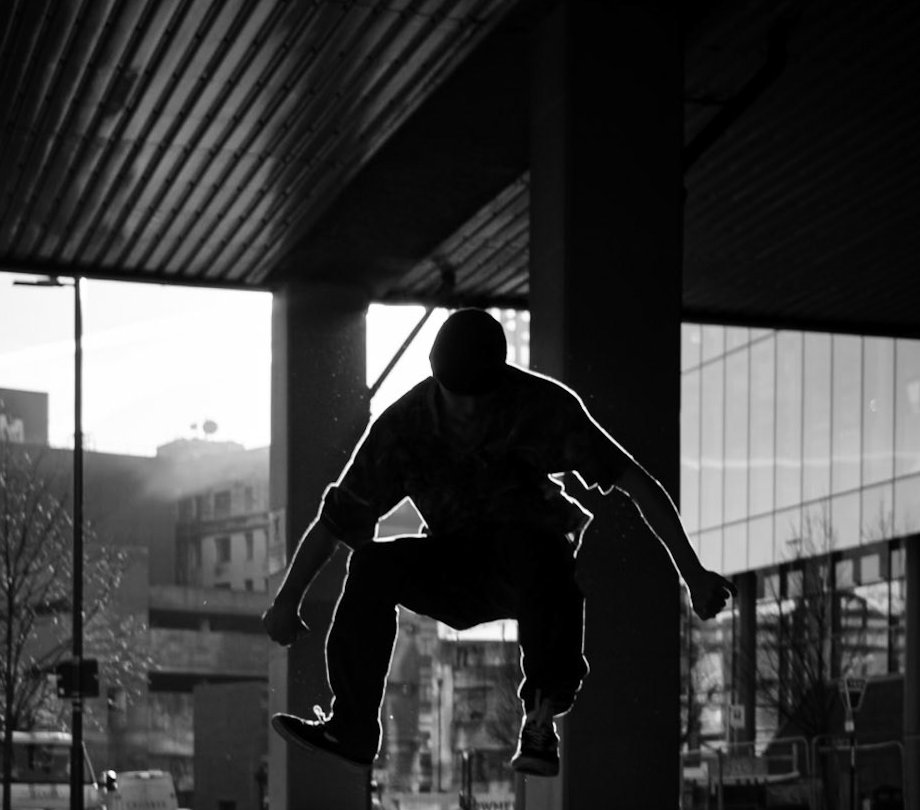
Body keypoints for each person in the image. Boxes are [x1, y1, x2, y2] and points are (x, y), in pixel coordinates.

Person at [263, 308, 732, 777]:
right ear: (436, 380)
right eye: (456, 399)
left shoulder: (542, 408)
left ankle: (541, 718)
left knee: (541, 550)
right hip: (453, 566)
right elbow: (335, 521)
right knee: (371, 564)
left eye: (480, 398)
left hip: (527, 571)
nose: (468, 411)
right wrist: (287, 600)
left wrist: (693, 574)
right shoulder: (404, 425)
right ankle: (352, 726)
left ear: (501, 377)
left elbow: (636, 482)